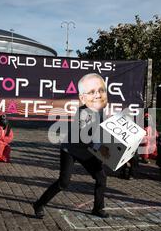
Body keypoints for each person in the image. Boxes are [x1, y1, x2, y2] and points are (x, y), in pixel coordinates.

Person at [32, 73, 110, 219]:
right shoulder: (82, 111)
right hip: (71, 150)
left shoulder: (100, 111)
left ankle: (98, 208)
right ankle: (39, 204)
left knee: (101, 177)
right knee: (63, 182)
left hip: (87, 151)